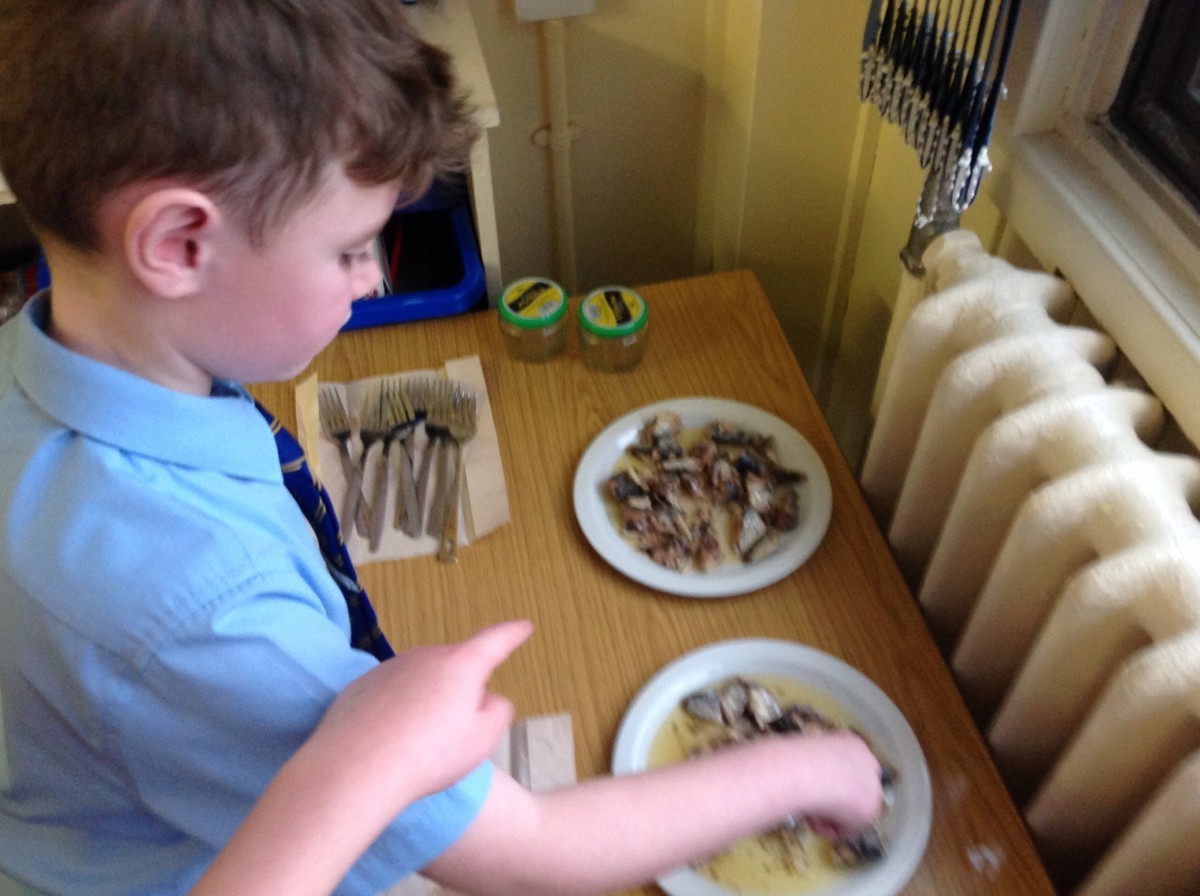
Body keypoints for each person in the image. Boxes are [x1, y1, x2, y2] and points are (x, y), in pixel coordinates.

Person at [0, 2, 883, 895]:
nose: (374, 278)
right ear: (179, 244)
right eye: (351, 249)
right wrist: (808, 768)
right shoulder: (207, 615)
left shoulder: (42, 364)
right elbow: (536, 852)